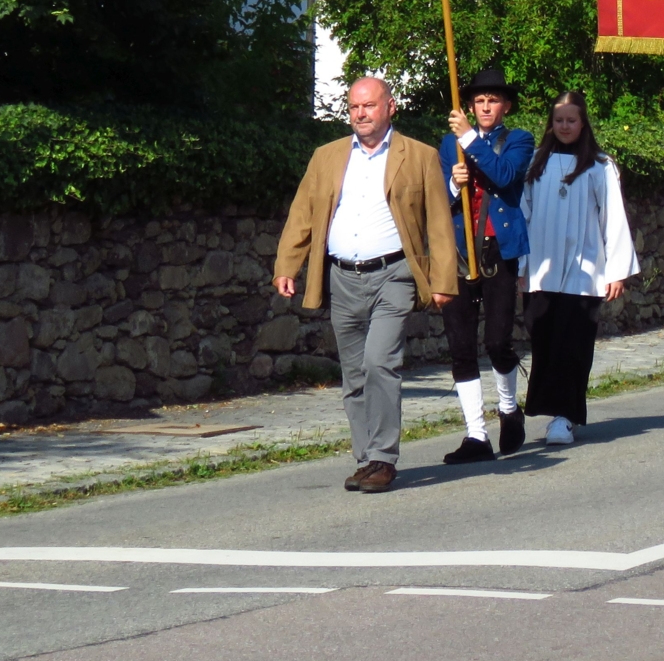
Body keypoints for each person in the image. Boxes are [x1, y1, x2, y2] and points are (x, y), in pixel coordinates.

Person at [273, 77, 457, 494]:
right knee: (354, 374)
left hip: (394, 274)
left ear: (390, 107)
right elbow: (302, 213)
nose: (360, 114)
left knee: (379, 362)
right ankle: (366, 458)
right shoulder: (327, 156)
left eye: (369, 106)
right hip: (342, 277)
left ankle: (384, 458)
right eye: (354, 107)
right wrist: (288, 265)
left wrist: (444, 280)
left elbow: (439, 225)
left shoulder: (420, 156)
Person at [514, 92, 639, 443]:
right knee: (544, 342)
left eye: (571, 120)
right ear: (551, 124)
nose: (565, 126)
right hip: (541, 269)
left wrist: (615, 270)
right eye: (559, 120)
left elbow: (613, 218)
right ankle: (547, 409)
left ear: (582, 123)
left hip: (585, 271)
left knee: (574, 345)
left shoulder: (599, 166)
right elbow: (523, 213)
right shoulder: (535, 163)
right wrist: (521, 264)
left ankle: (566, 416)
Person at [438, 68, 535, 465]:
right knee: (461, 345)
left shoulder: (519, 140)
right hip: (460, 251)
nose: (485, 107)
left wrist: (469, 139)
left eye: (492, 100)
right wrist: (452, 184)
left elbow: (505, 176)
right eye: (479, 101)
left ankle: (509, 408)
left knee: (497, 341)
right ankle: (475, 435)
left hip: (499, 249)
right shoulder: (450, 144)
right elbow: (437, 197)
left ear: (505, 106)